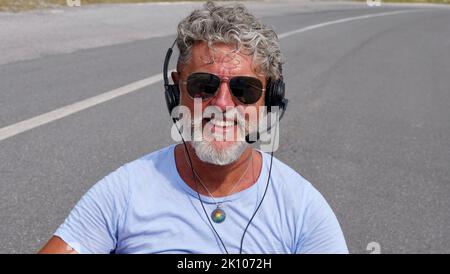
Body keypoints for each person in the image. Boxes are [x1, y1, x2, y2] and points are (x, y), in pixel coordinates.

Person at [38, 1, 348, 254]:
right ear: (176, 91)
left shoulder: (303, 209)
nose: (223, 104)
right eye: (204, 85)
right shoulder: (123, 193)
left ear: (269, 99)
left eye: (245, 90)